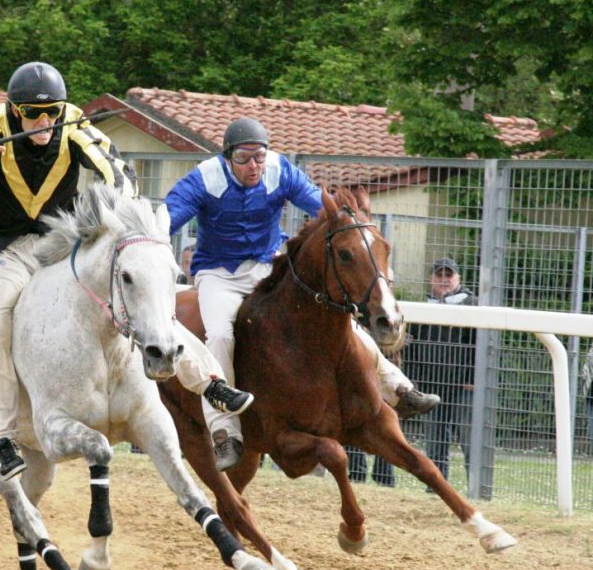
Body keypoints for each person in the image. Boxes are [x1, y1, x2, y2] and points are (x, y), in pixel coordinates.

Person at [0, 61, 252, 480]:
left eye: (52, 112)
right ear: (14, 111)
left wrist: (118, 205)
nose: (44, 122)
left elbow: (116, 170)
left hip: (58, 246)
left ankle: (209, 381)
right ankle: (3, 437)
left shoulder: (74, 125)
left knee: (143, 301)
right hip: (6, 251)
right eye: (32, 114)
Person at [164, 117, 439, 471]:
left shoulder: (281, 170)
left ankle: (398, 388)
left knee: (338, 316)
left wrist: (345, 224)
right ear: (227, 157)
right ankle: (225, 432)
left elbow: (318, 204)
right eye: (245, 158)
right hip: (219, 273)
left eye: (260, 157)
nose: (254, 166)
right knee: (219, 334)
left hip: (269, 264)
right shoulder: (204, 178)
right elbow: (170, 217)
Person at [405, 257, 477, 484]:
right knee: (435, 444)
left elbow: (481, 346)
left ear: (458, 278)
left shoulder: (473, 305)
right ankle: (436, 490)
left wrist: (473, 377)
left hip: (464, 387)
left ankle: (476, 489)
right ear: (431, 279)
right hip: (431, 385)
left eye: (449, 275)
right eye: (439, 275)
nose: (444, 279)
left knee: (469, 442)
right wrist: (413, 380)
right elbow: (412, 346)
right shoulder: (423, 307)